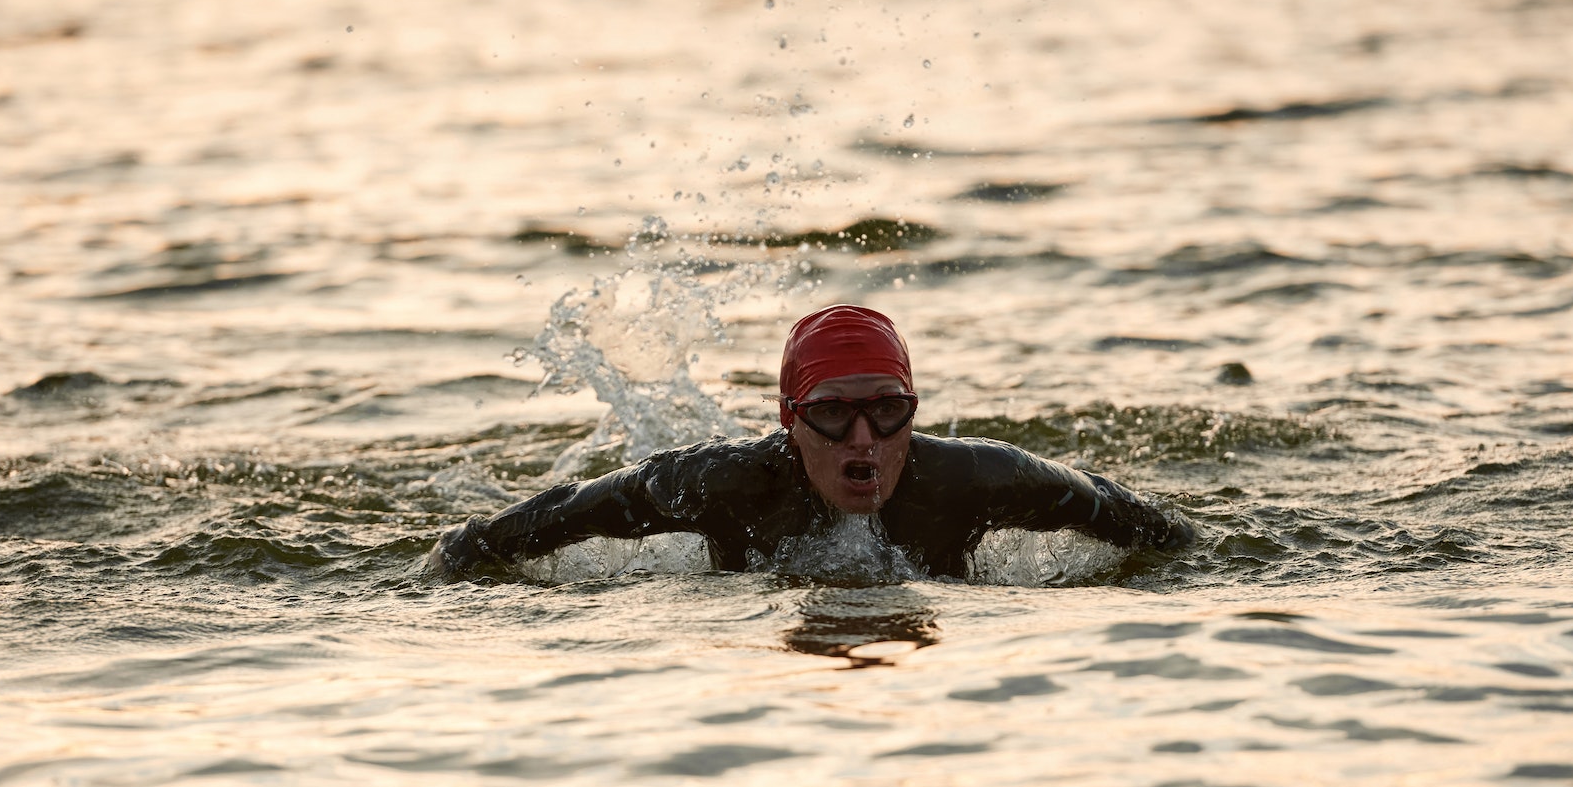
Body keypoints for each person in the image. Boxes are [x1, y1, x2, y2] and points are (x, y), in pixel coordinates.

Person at [432, 304, 1191, 581]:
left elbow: (1145, 525)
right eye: (834, 414)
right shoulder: (722, 483)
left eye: (888, 411)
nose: (864, 437)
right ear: (790, 419)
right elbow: (568, 511)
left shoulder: (978, 477)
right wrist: (458, 560)